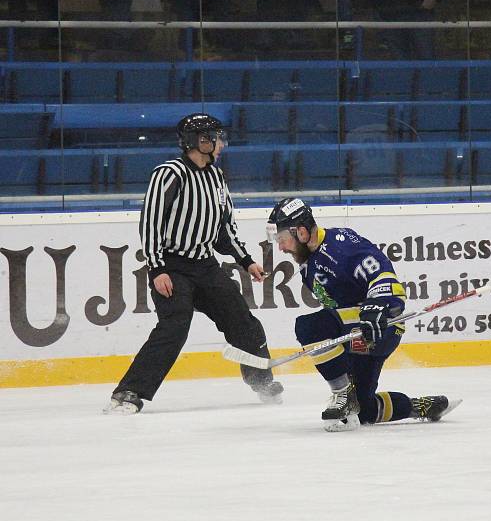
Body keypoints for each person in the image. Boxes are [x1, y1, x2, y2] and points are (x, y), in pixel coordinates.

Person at [104, 113, 283, 414]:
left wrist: (245, 260)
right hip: (172, 267)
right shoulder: (169, 174)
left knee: (242, 321)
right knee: (174, 327)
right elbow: (151, 223)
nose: (221, 143)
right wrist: (157, 269)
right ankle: (129, 392)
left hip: (205, 266)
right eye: (215, 137)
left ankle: (261, 381)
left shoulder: (216, 176)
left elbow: (224, 228)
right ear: (199, 141)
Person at [267, 197, 460, 431]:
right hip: (357, 334)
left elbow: (383, 273)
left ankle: (342, 394)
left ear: (302, 232)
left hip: (381, 326)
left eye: (283, 240)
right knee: (365, 409)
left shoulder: (342, 245)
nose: (281, 247)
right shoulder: (309, 261)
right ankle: (420, 406)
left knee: (309, 327)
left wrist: (377, 304)